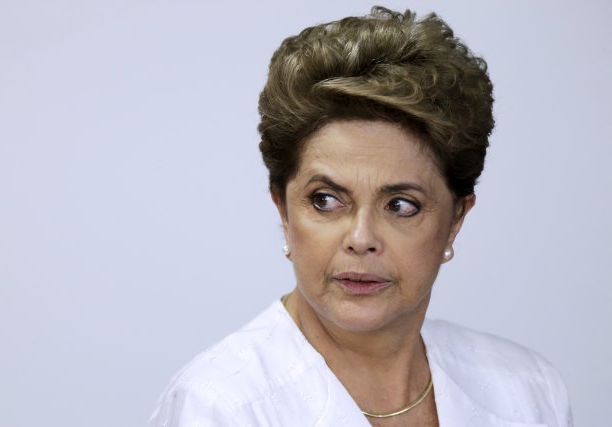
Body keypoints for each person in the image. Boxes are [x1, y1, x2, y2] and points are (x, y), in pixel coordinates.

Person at [150, 7, 572, 426]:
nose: (361, 237)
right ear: (283, 208)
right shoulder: (219, 406)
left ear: (456, 219)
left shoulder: (528, 389)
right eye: (326, 200)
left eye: (401, 205)